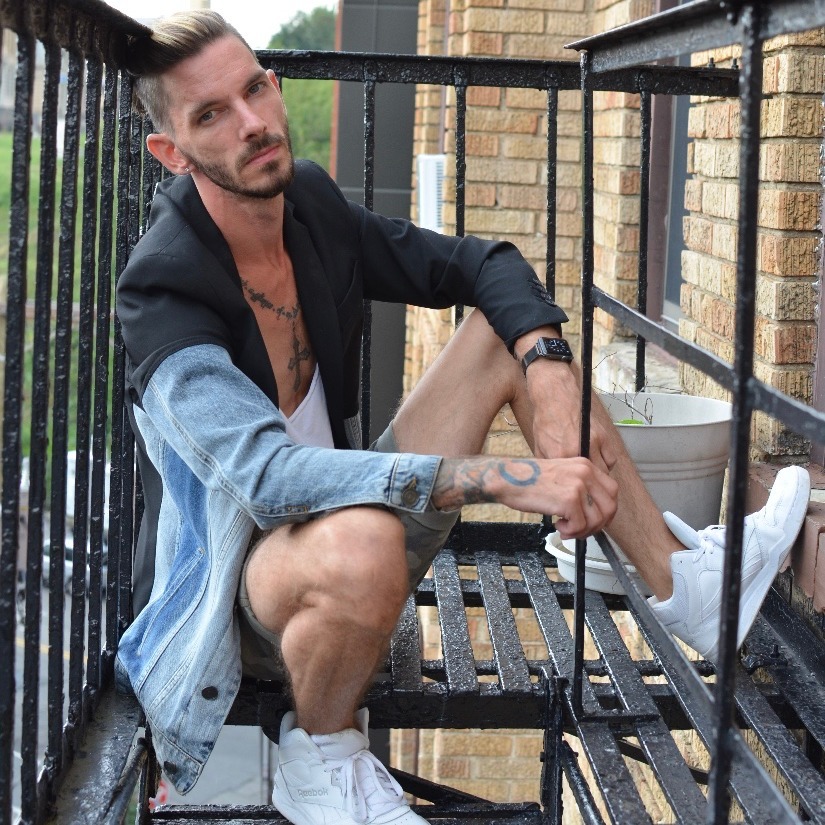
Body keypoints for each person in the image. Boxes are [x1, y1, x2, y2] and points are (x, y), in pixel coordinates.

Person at [115, 10, 811, 824]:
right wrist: (503, 477)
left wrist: (547, 366)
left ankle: (684, 587)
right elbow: (267, 479)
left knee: (501, 336)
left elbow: (482, 264)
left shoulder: (306, 204)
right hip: (241, 597)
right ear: (171, 150)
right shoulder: (162, 290)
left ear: (271, 86)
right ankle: (321, 753)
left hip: (351, 536)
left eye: (253, 91)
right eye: (210, 115)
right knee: (363, 538)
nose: (251, 123)